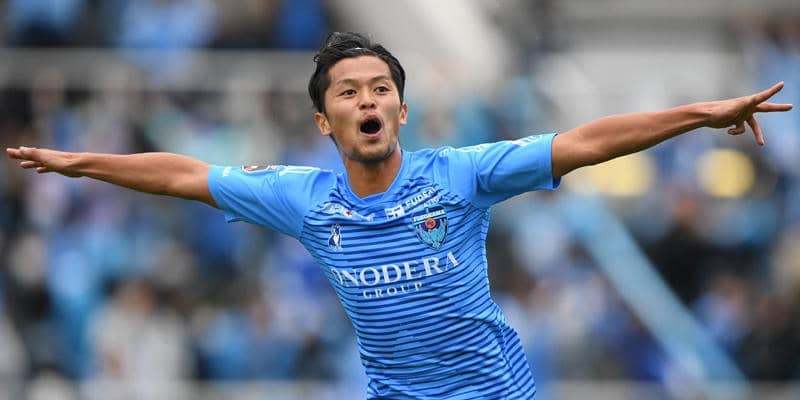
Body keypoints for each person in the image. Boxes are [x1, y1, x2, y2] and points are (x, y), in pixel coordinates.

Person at [6, 32, 794, 399]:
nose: (368, 100)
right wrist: (83, 162)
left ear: (402, 109)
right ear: (325, 122)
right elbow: (184, 174)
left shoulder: (460, 177)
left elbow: (584, 142)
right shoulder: (305, 198)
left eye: (381, 88)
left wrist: (699, 114)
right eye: (349, 92)